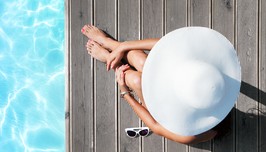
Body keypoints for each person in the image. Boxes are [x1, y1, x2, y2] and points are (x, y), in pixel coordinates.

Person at [81, 25, 219, 145]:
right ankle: (110, 43)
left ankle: (111, 61)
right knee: (142, 62)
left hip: (165, 109)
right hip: (174, 85)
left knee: (137, 81)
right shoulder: (206, 81)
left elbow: (155, 126)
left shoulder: (192, 132)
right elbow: (166, 44)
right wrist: (124, 45)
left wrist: (125, 92)